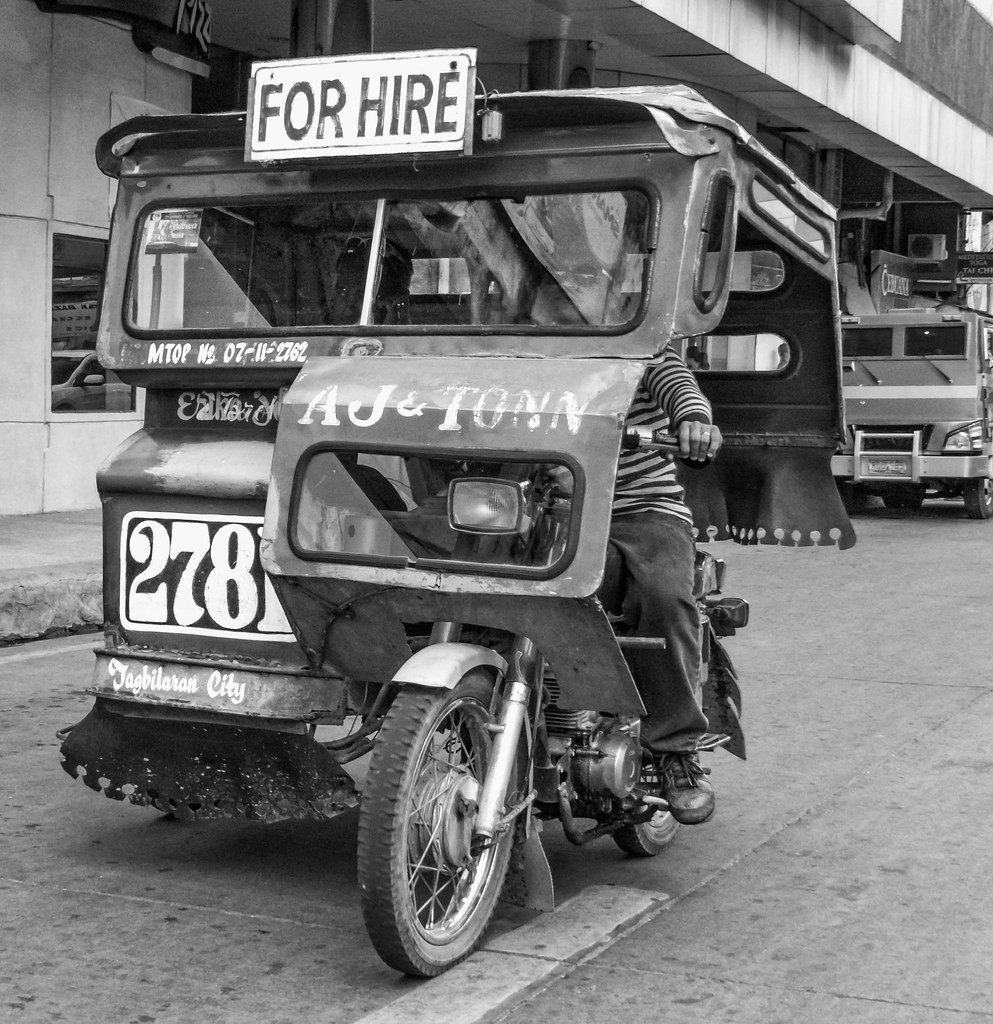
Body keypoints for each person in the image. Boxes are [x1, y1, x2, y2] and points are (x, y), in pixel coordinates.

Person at [610, 345, 722, 824]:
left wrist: (693, 420)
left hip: (639, 509)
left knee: (661, 596)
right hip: (528, 504)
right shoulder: (517, 343)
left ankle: (674, 749)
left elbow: (676, 382)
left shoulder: (635, 336)